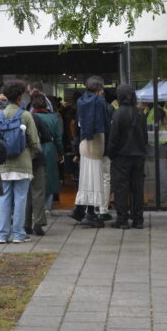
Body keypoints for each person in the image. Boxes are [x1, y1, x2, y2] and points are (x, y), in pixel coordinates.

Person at [0, 79, 41, 243]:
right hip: (23, 163)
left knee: (4, 198)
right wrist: (32, 154)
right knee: (21, 199)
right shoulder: (26, 115)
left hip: (3, 165)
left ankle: (2, 234)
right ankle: (18, 234)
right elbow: (35, 142)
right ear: (19, 98)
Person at [106, 84, 147, 229]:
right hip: (138, 157)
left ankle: (122, 220)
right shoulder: (140, 114)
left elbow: (113, 138)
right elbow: (145, 138)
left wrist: (111, 154)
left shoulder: (118, 114)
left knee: (121, 189)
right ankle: (138, 220)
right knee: (137, 188)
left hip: (121, 157)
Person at [71, 76, 110, 228]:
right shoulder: (99, 102)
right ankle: (91, 213)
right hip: (96, 142)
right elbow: (105, 124)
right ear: (99, 89)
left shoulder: (81, 101)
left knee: (86, 178)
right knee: (96, 179)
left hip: (84, 143)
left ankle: (80, 209)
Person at [27, 93, 63, 232]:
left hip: (31, 151)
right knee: (47, 181)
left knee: (31, 185)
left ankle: (28, 220)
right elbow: (58, 138)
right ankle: (46, 208)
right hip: (48, 149)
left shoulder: (28, 116)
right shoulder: (54, 117)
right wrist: (60, 153)